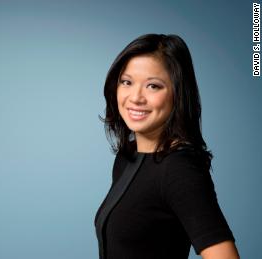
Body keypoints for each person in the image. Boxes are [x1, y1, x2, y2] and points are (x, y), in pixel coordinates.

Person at [93, 34, 239, 259]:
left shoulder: (179, 170)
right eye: (127, 82)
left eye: (153, 86)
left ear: (177, 94)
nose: (136, 97)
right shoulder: (128, 156)